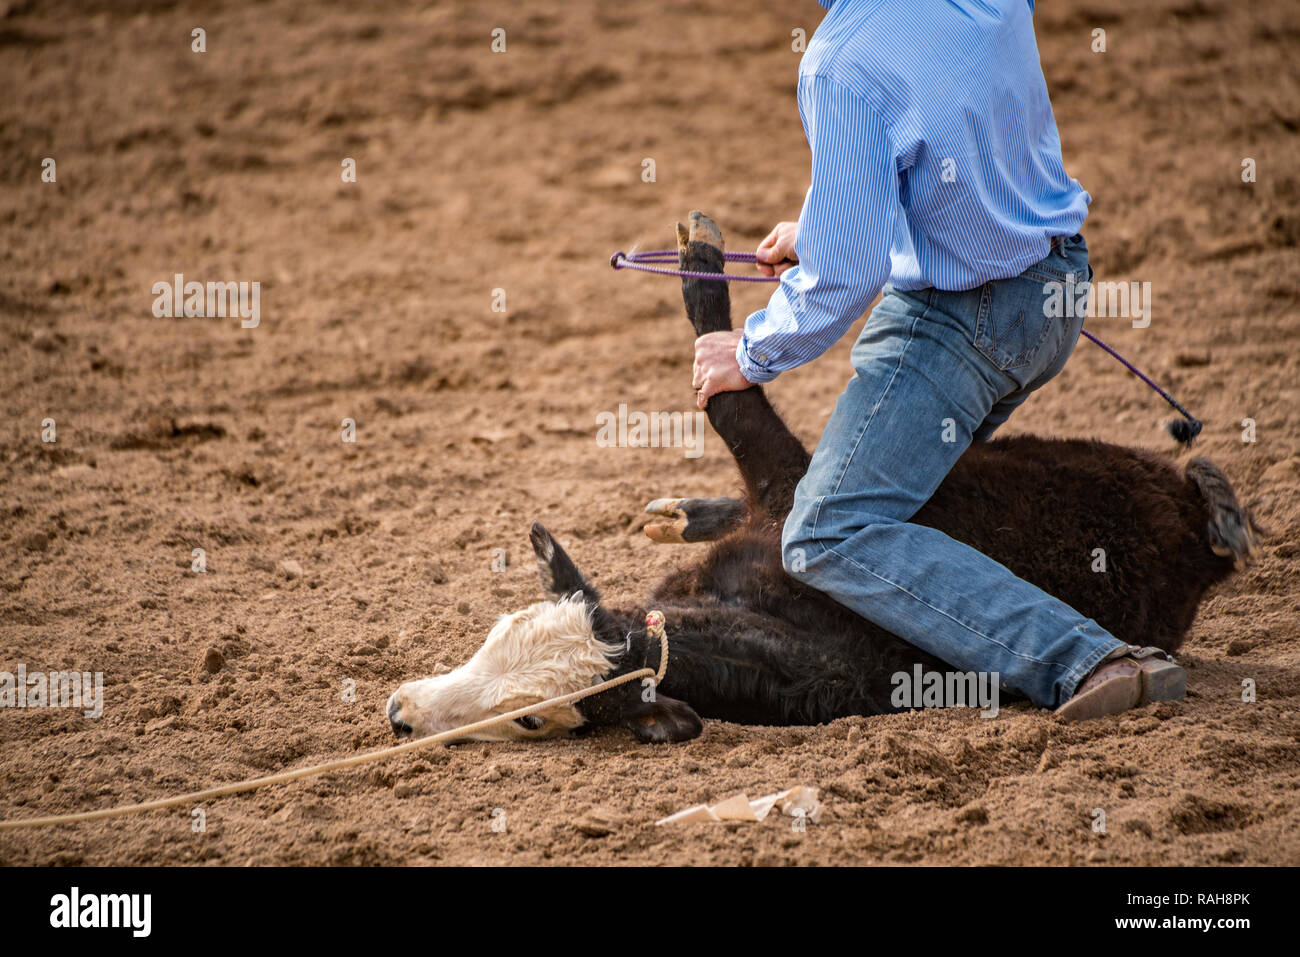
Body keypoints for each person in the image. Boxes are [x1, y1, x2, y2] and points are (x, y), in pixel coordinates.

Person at [689, 0, 1184, 720]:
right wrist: (829, 225)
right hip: (1055, 290)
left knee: (831, 527)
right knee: (913, 500)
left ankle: (1084, 658)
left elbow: (843, 278)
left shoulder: (840, 64)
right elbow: (954, 143)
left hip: (966, 323)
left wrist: (754, 351)